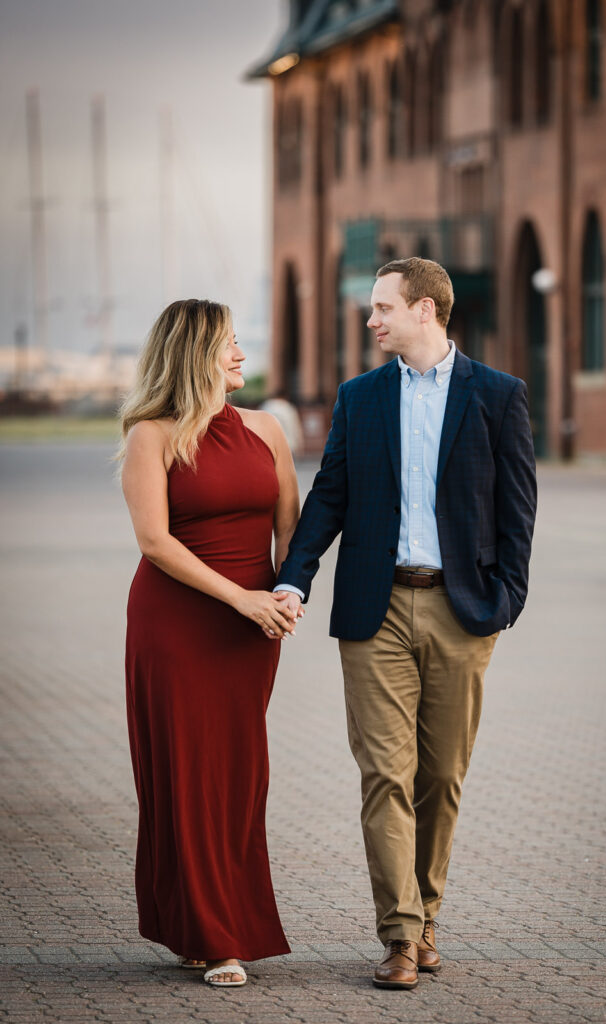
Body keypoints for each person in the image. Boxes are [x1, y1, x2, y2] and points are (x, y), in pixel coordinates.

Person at [275, 258, 537, 989]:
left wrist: (506, 600)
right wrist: (293, 577)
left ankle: (426, 915)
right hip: (376, 608)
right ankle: (399, 933)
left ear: (425, 309)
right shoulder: (358, 398)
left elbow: (518, 509)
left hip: (462, 611)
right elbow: (329, 496)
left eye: (382, 308)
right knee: (384, 774)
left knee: (441, 776)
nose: (371, 320)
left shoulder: (498, 395)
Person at [120, 299, 300, 988]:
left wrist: (286, 591)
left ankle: (211, 921)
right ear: (195, 353)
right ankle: (214, 936)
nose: (241, 354)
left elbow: (291, 522)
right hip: (177, 624)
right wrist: (240, 598)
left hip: (250, 631)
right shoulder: (152, 434)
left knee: (239, 773)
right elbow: (155, 542)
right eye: (228, 343)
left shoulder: (265, 428)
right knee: (187, 772)